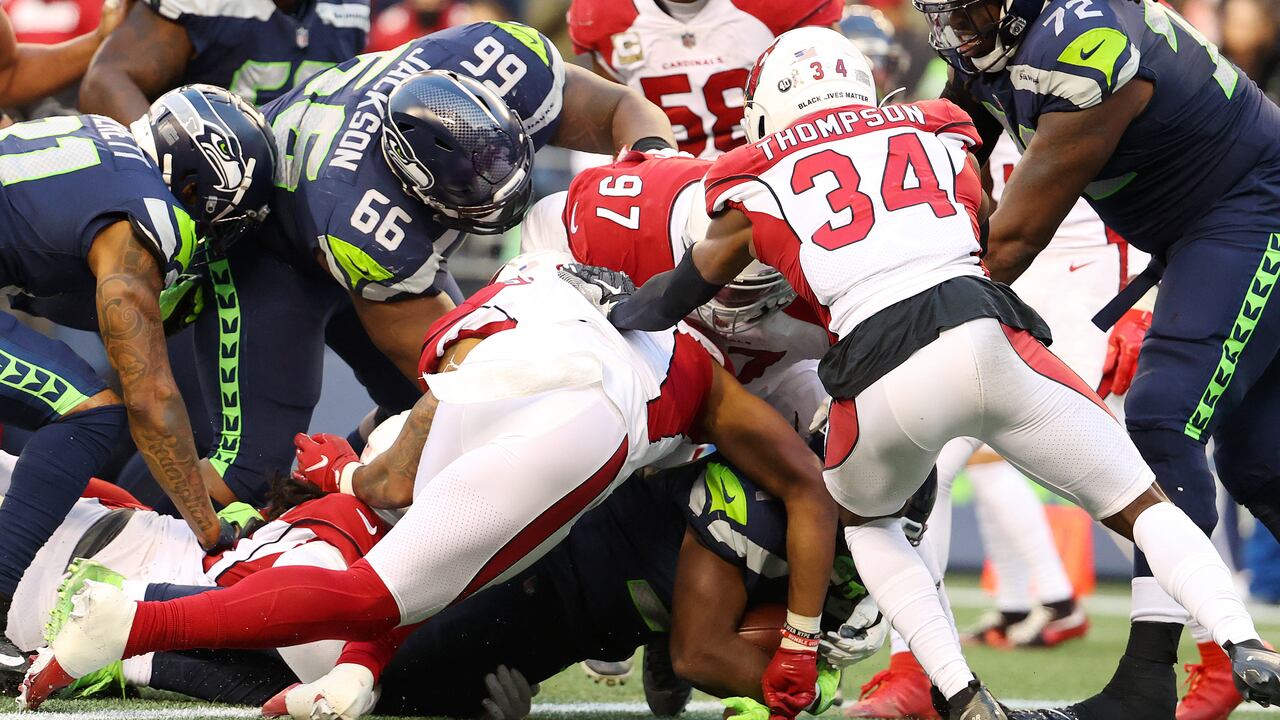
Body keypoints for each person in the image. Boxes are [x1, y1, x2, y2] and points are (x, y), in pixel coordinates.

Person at [560, 26, 1280, 720]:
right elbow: (979, 229)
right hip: (991, 328)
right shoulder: (939, 126)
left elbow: (676, 295)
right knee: (1143, 499)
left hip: (879, 369)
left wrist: (611, 310)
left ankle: (957, 690)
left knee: (871, 522)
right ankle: (1240, 639)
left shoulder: (753, 173)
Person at [21, 259, 839, 720]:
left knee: (396, 566)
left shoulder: (589, 257)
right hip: (588, 411)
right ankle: (136, 625)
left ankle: (351, 677)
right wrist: (802, 639)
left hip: (501, 333)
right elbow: (808, 493)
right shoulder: (715, 382)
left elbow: (405, 464)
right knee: (378, 592)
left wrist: (344, 473)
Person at [101, 22, 678, 510]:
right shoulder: (366, 222)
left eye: (504, 158)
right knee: (256, 468)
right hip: (272, 244)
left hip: (339, 192)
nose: (501, 193)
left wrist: (655, 174)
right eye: (473, 188)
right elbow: (464, 376)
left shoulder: (504, 62)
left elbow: (624, 109)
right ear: (414, 182)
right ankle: (117, 537)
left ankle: (335, 485)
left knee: (414, 411)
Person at [912, 0, 1280, 711]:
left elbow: (1014, 241)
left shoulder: (1082, 43)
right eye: (944, 9)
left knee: (1161, 420)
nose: (956, 26)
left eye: (969, 7)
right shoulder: (997, 44)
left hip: (1250, 208)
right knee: (1257, 460)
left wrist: (903, 320)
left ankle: (1145, 681)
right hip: (1202, 228)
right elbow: (948, 156)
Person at [0, 85, 276, 675]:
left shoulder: (98, 134)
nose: (214, 231)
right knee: (92, 411)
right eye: (222, 213)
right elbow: (151, 400)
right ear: (196, 187)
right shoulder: (150, 217)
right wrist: (208, 530)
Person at [521, 151, 829, 431]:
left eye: (743, 294)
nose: (725, 306)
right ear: (690, 246)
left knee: (831, 424)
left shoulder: (825, 285)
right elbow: (543, 224)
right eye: (716, 283)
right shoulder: (630, 222)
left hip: (763, 386)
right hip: (641, 363)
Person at [567, 0, 842, 157]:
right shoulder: (603, 13)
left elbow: (834, 106)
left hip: (774, 169)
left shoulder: (786, 7)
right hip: (666, 185)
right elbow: (614, 122)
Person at [80, 0, 371, 117]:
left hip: (314, 182)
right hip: (211, 187)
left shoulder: (353, 5)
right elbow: (105, 79)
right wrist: (169, 156)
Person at [0, 0, 124, 108]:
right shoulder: (13, 4)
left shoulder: (86, 4)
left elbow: (9, 74)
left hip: (68, 89)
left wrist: (99, 40)